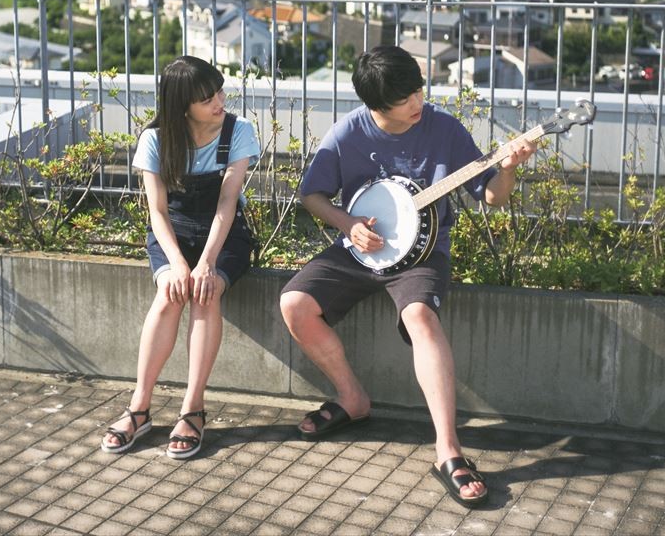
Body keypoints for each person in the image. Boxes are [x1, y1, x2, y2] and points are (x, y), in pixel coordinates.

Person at [280, 45, 534, 507]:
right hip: (359, 250)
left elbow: (491, 197)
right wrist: (348, 226)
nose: (419, 102)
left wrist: (510, 167)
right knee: (294, 304)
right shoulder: (348, 133)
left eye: (419, 89)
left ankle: (448, 450)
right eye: (406, 98)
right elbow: (313, 194)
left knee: (420, 317)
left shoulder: (444, 129)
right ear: (377, 105)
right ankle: (352, 398)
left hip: (421, 255)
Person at [101, 56, 259, 460]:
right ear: (182, 105)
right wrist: (175, 262)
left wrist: (206, 262)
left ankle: (193, 409)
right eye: (207, 98)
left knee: (206, 293)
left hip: (225, 235)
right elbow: (156, 210)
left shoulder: (238, 131)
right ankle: (139, 408)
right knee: (170, 294)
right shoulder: (155, 140)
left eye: (219, 91)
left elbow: (227, 203)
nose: (219, 101)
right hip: (172, 231)